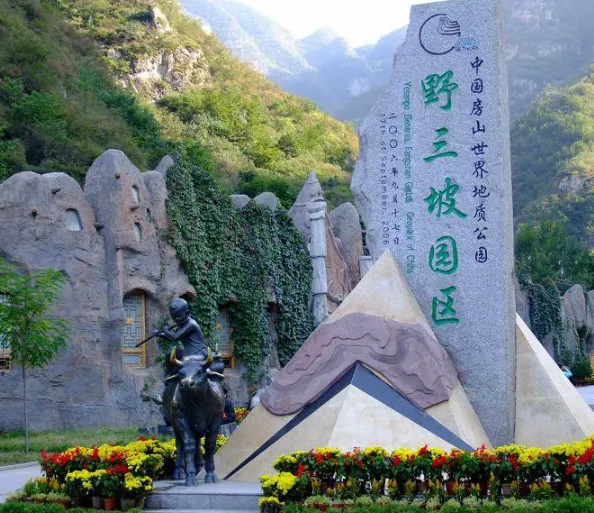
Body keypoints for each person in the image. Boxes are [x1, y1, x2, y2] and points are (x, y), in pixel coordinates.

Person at [156, 298, 208, 380]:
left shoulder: (191, 324)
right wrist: (159, 334)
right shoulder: (181, 325)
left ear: (187, 313)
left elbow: (174, 337)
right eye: (174, 317)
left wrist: (165, 331)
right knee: (170, 353)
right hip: (187, 352)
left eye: (179, 316)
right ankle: (168, 374)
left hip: (198, 353)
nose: (176, 319)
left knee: (185, 360)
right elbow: (171, 338)